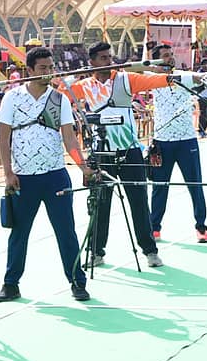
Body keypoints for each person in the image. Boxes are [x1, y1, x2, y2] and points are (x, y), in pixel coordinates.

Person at [0, 46, 92, 303]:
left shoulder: (59, 99)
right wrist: (8, 174)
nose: (48, 73)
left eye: (50, 68)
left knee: (66, 231)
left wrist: (83, 167)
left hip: (55, 175)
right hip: (23, 178)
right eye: (42, 69)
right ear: (29, 70)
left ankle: (76, 282)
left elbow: (69, 137)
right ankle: (11, 283)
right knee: (19, 232)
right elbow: (3, 138)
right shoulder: (12, 98)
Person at [66, 41, 172, 268]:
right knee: (100, 204)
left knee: (139, 202)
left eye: (109, 57)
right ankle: (96, 252)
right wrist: (64, 80)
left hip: (130, 151)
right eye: (102, 58)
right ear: (92, 62)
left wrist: (171, 77)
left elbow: (155, 81)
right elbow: (59, 95)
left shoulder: (125, 79)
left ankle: (150, 251)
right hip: (102, 152)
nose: (108, 61)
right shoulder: (84, 85)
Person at [147, 44, 207, 242]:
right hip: (162, 142)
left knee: (195, 184)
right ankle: (154, 228)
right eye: (165, 56)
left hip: (186, 141)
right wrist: (157, 69)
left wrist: (203, 76)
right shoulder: (152, 78)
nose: (170, 58)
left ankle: (201, 227)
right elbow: (137, 71)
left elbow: (204, 82)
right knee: (159, 186)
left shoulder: (184, 76)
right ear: (156, 60)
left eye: (171, 55)